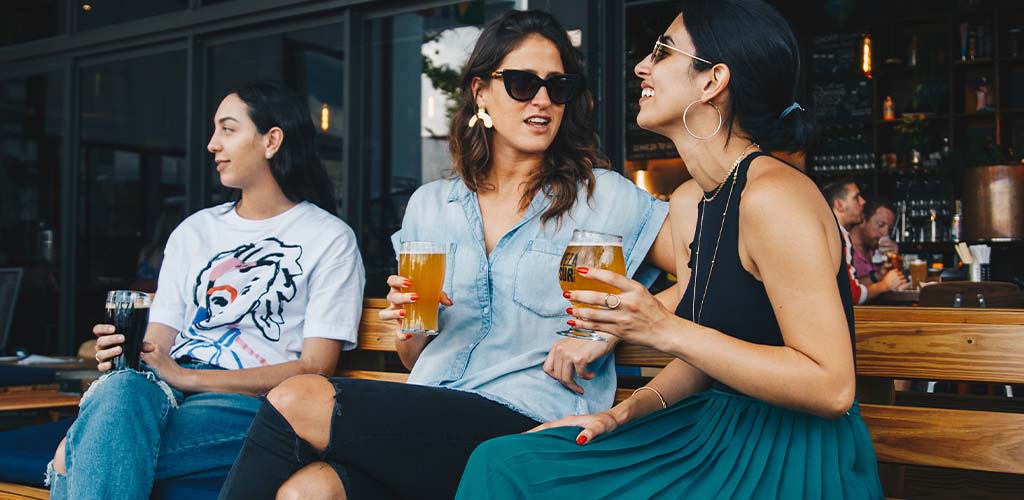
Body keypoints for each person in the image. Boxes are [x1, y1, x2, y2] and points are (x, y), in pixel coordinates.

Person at [218, 10, 674, 500]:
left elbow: (709, 272)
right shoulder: (430, 205)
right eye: (522, 83)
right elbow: (414, 354)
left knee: (296, 397)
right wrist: (415, 325)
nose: (542, 100)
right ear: (480, 92)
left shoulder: (603, 196)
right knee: (308, 492)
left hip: (530, 422)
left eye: (557, 86)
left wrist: (608, 330)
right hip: (432, 410)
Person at [455, 1, 883, 498]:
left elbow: (831, 388)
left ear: (712, 81)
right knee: (505, 462)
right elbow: (712, 354)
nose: (642, 66)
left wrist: (662, 327)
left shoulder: (775, 197)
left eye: (662, 51)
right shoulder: (689, 202)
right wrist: (617, 414)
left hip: (792, 453)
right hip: (713, 431)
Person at [46, 80, 365, 500]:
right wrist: (129, 352)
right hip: (164, 394)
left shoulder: (329, 238)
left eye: (228, 129)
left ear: (271, 140)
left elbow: (315, 367)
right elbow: (158, 343)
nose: (213, 144)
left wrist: (188, 377)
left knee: (77, 454)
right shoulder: (194, 231)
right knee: (121, 389)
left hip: (251, 406)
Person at [824, 179, 906, 302]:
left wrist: (879, 275)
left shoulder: (832, 231)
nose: (863, 201)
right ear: (839, 205)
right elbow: (852, 295)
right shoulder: (838, 236)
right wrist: (884, 285)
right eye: (856, 197)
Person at [850, 197, 907, 294]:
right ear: (863, 220)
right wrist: (877, 276)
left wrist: (895, 260)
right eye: (881, 225)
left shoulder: (876, 250)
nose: (885, 234)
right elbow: (847, 290)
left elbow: (897, 282)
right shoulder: (844, 249)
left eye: (889, 229)